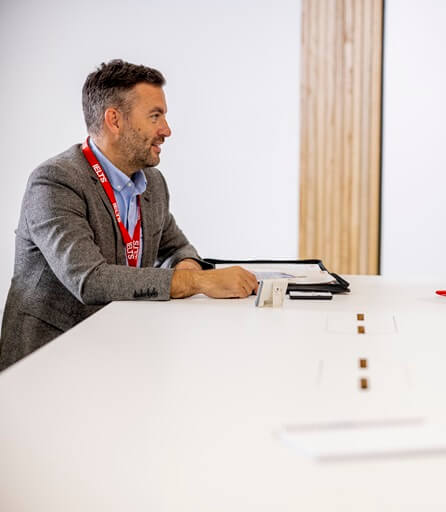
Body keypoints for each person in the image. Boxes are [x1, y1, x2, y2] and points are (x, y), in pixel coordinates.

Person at [0, 60, 259, 370]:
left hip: (119, 354)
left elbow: (176, 249)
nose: (166, 130)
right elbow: (90, 279)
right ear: (115, 120)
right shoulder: (55, 181)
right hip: (47, 365)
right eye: (155, 116)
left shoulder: (152, 183)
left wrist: (187, 266)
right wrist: (196, 282)